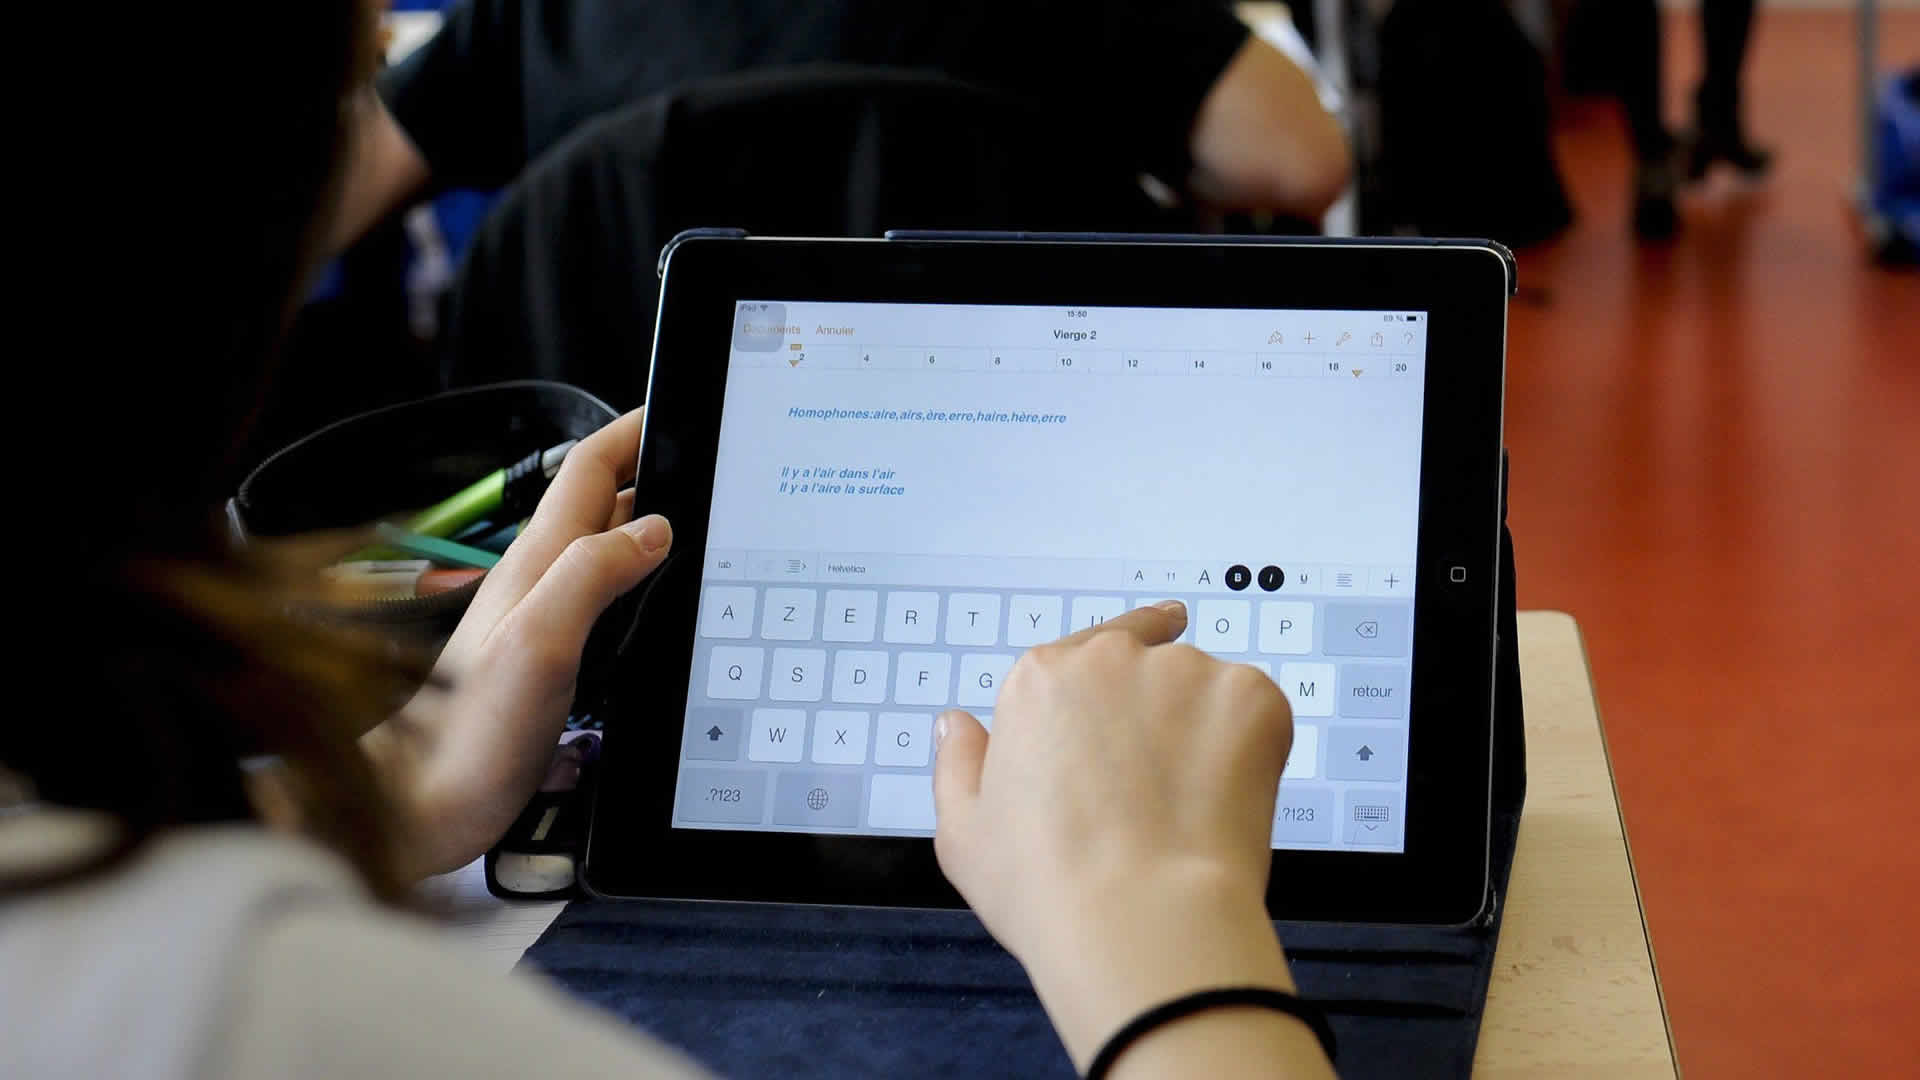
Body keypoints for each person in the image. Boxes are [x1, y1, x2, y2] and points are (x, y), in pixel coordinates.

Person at [0, 3, 1335, 1078]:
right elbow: (1305, 160)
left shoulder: (532, 17)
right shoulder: (255, 1010)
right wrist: (1175, 968)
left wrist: (393, 788)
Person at [333, 0, 1353, 252]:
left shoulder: (543, 18)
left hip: (597, 551)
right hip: (1022, 512)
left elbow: (307, 209)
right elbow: (1302, 163)